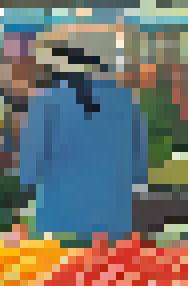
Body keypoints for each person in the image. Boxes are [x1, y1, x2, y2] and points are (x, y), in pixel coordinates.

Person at [22, 31, 148, 239]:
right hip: (115, 218)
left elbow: (30, 166)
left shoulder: (46, 100)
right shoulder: (127, 100)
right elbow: (139, 165)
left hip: (60, 219)